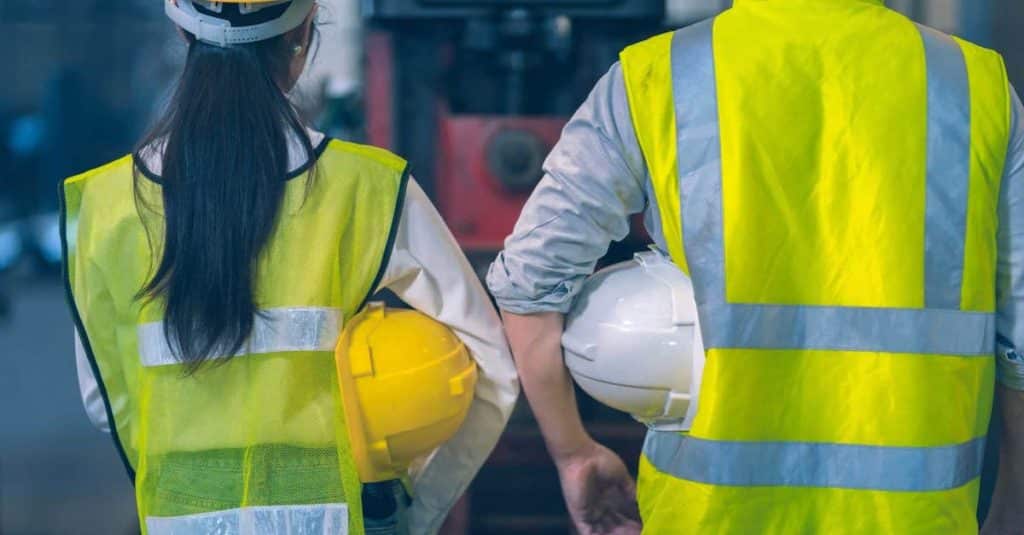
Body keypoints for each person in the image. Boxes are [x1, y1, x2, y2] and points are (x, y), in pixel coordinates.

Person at [487, 1, 1024, 533]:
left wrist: (574, 453)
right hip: (918, 519)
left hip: (708, 517)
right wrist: (1015, 502)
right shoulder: (977, 85)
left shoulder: (655, 77)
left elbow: (529, 284)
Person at [62, 1, 518, 534]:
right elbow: (493, 371)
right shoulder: (368, 188)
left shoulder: (106, 202)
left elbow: (103, 403)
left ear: (182, 32)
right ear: (301, 35)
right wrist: (414, 511)